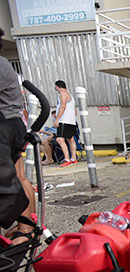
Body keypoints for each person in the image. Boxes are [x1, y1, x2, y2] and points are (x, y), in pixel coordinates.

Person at [0, 27, 35, 245]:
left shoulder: (0, 64)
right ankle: (27, 225)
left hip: (7, 126)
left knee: (15, 178)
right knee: (20, 176)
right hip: (10, 124)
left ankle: (26, 228)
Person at [54, 80, 78, 167]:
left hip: (64, 120)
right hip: (71, 121)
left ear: (57, 87)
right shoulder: (70, 95)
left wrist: (57, 119)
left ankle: (67, 159)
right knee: (70, 139)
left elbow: (62, 107)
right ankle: (73, 158)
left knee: (59, 139)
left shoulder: (63, 94)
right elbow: (75, 111)